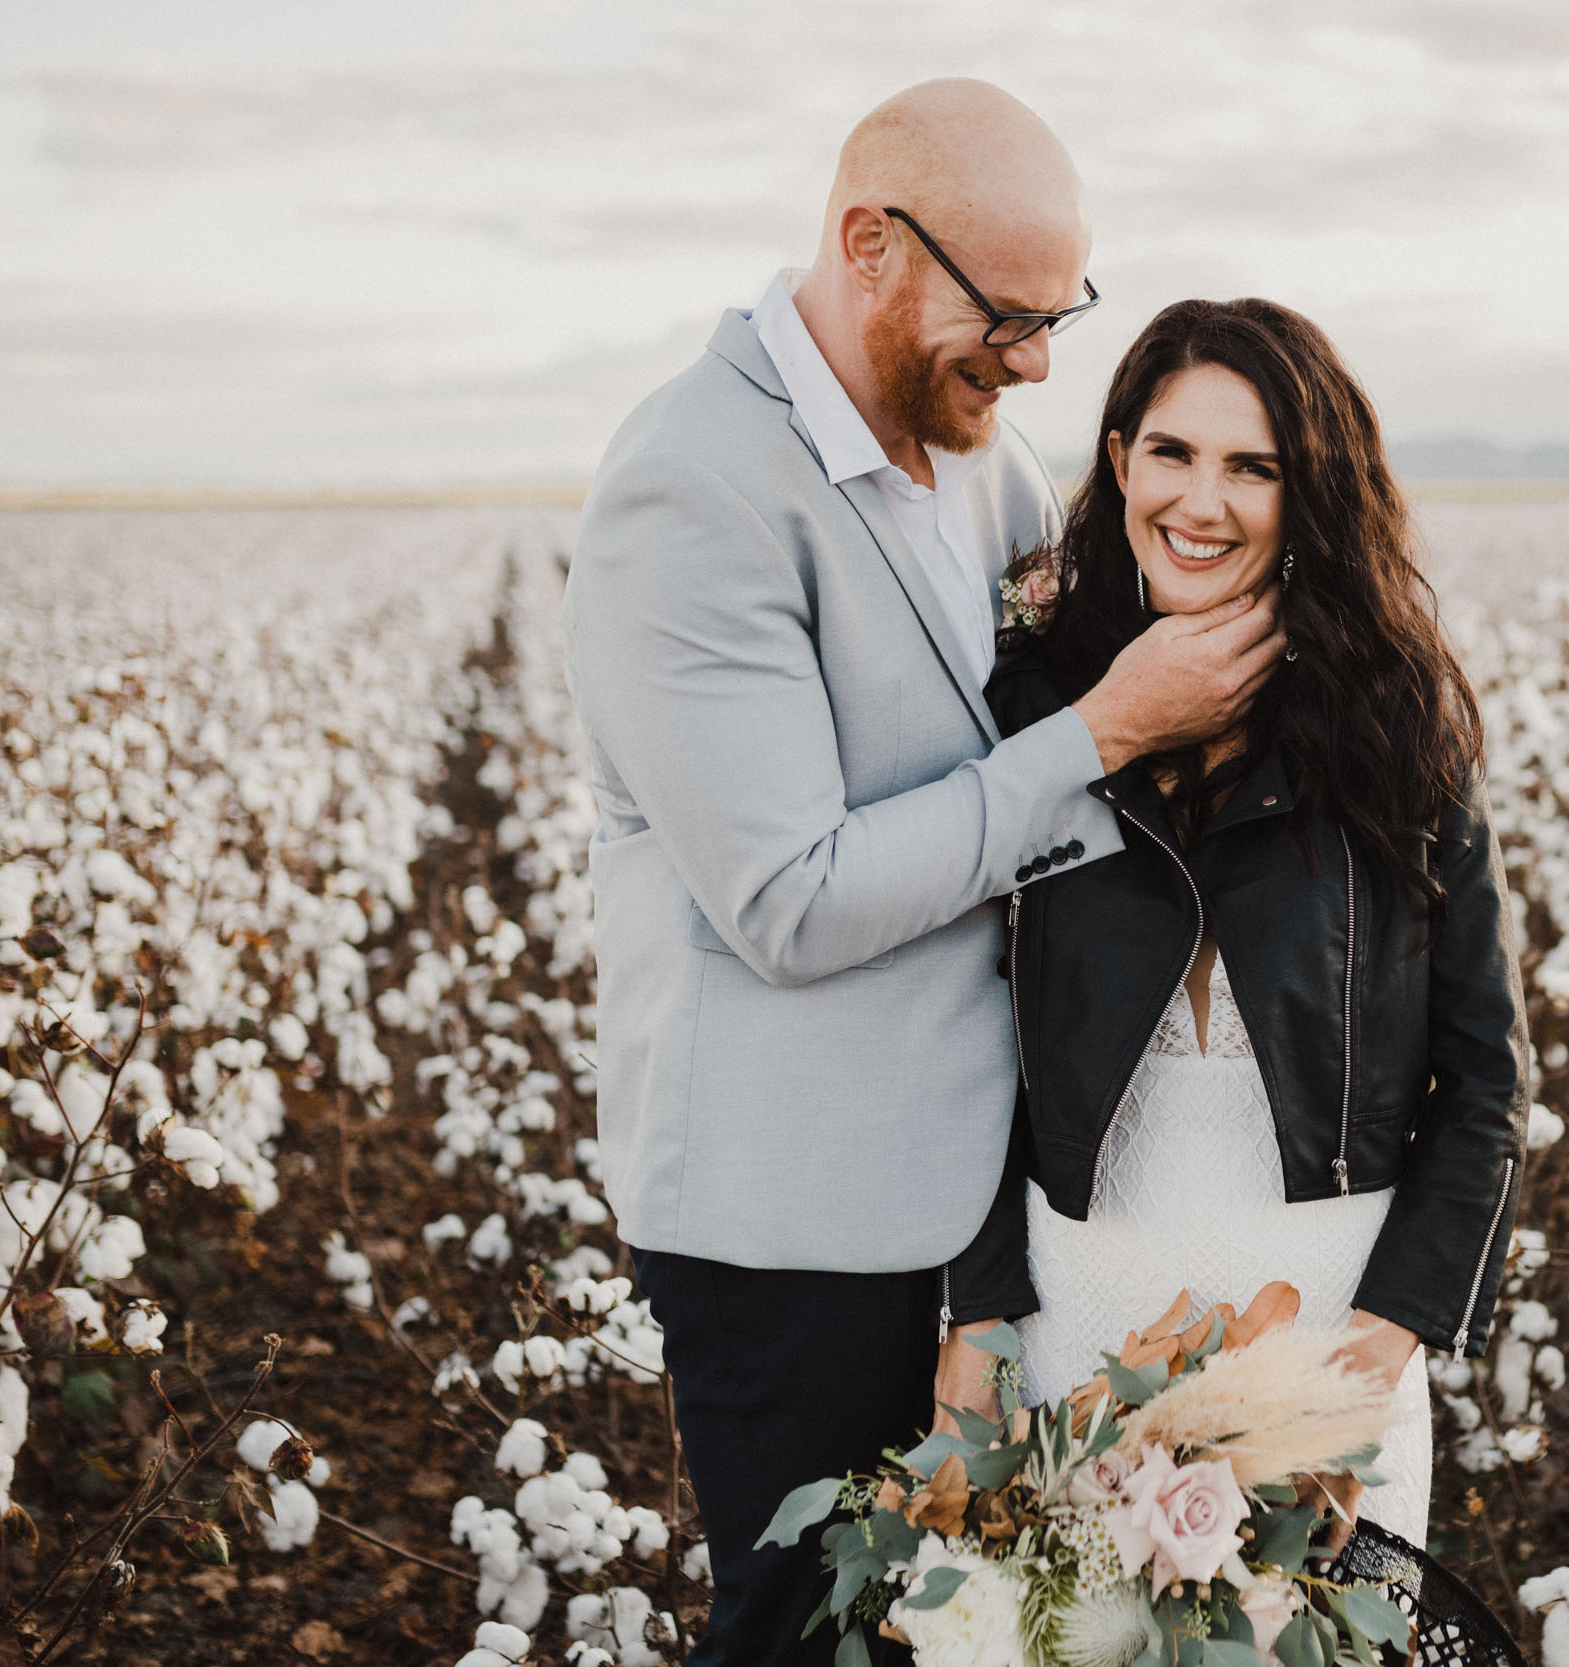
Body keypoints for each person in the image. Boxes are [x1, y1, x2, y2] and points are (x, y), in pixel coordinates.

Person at [562, 83, 1286, 1661]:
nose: (1037, 363)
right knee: (802, 1630)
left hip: (991, 1207)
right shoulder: (690, 489)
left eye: (1059, 316)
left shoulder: (982, 456)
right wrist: (1100, 734)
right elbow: (792, 901)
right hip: (792, 1215)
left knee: (969, 1631)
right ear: (871, 246)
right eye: (1011, 317)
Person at [940, 298, 1532, 1544]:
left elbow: (1485, 1073)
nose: (1201, 501)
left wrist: (1378, 1349)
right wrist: (979, 1310)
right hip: (1075, 1311)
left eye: (1251, 466)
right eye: (1172, 452)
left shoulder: (1394, 725)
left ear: (1307, 491)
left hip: (1326, 1337)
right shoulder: (1036, 707)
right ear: (1116, 460)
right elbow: (955, 1032)